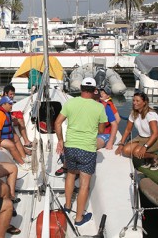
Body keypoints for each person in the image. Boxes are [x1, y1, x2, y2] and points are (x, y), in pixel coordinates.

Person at [54, 77, 107, 226]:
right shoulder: (99, 107)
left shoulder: (70, 103)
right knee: (84, 184)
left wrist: (60, 140)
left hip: (70, 147)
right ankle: (78, 219)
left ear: (81, 88)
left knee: (70, 174)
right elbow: (102, 130)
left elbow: (57, 123)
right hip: (87, 149)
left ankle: (67, 206)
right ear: (95, 90)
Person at [115, 91, 158, 171]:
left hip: (157, 138)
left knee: (137, 152)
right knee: (125, 150)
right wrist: (121, 143)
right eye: (133, 100)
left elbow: (155, 134)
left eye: (137, 101)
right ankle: (148, 158)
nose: (134, 103)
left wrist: (145, 147)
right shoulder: (133, 113)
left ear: (144, 102)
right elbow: (128, 129)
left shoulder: (150, 114)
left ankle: (155, 157)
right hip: (141, 137)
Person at [0, 96, 31, 170]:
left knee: (16, 138)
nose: (12, 106)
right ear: (3, 104)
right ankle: (22, 164)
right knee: (11, 145)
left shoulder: (5, 112)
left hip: (3, 136)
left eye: (12, 104)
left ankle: (24, 157)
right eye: (10, 104)